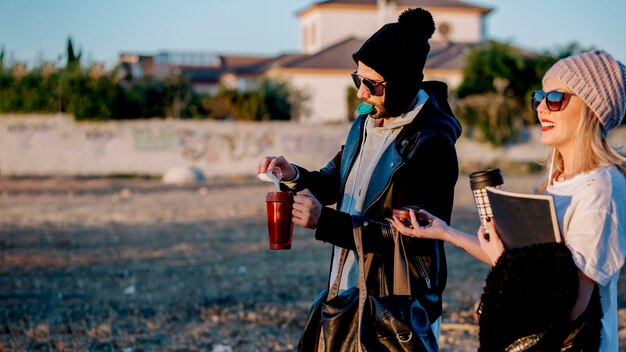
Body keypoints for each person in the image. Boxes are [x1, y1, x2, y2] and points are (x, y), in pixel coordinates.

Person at [391, 49, 626, 351]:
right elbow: (520, 261)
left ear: (592, 109)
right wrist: (442, 231)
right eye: (539, 97)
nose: (541, 108)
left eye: (555, 99)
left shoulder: (601, 189)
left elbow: (571, 306)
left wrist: (506, 263)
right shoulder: (558, 182)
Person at [257, 8, 462, 349]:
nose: (361, 93)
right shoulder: (366, 124)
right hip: (351, 291)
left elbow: (413, 237)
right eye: (358, 79)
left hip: (396, 310)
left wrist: (326, 223)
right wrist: (292, 174)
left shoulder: (431, 145)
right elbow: (333, 180)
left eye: (372, 84)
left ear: (401, 83)